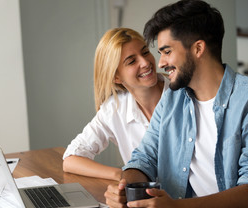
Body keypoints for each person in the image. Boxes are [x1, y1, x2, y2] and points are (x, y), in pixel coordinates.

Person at [104, 1, 248, 208]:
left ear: (198, 48)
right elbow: (145, 157)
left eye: (167, 51)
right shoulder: (172, 98)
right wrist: (126, 187)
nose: (161, 63)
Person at [63, 28, 169, 181]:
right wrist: (122, 175)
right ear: (116, 77)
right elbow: (71, 159)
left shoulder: (182, 92)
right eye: (132, 61)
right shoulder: (114, 108)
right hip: (144, 200)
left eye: (145, 52)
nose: (145, 63)